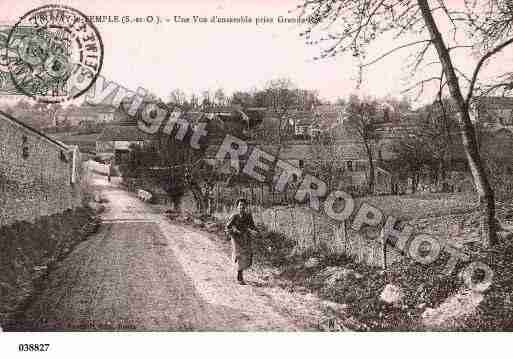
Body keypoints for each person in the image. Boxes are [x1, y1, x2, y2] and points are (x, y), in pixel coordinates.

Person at [225, 198, 260, 285]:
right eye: (240, 205)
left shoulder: (248, 216)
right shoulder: (234, 216)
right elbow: (227, 227)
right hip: (236, 238)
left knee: (247, 255)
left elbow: (252, 226)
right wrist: (233, 231)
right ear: (237, 206)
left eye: (243, 205)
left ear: (246, 207)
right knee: (239, 255)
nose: (242, 207)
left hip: (245, 238)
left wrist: (257, 232)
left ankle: (240, 270)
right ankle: (239, 276)